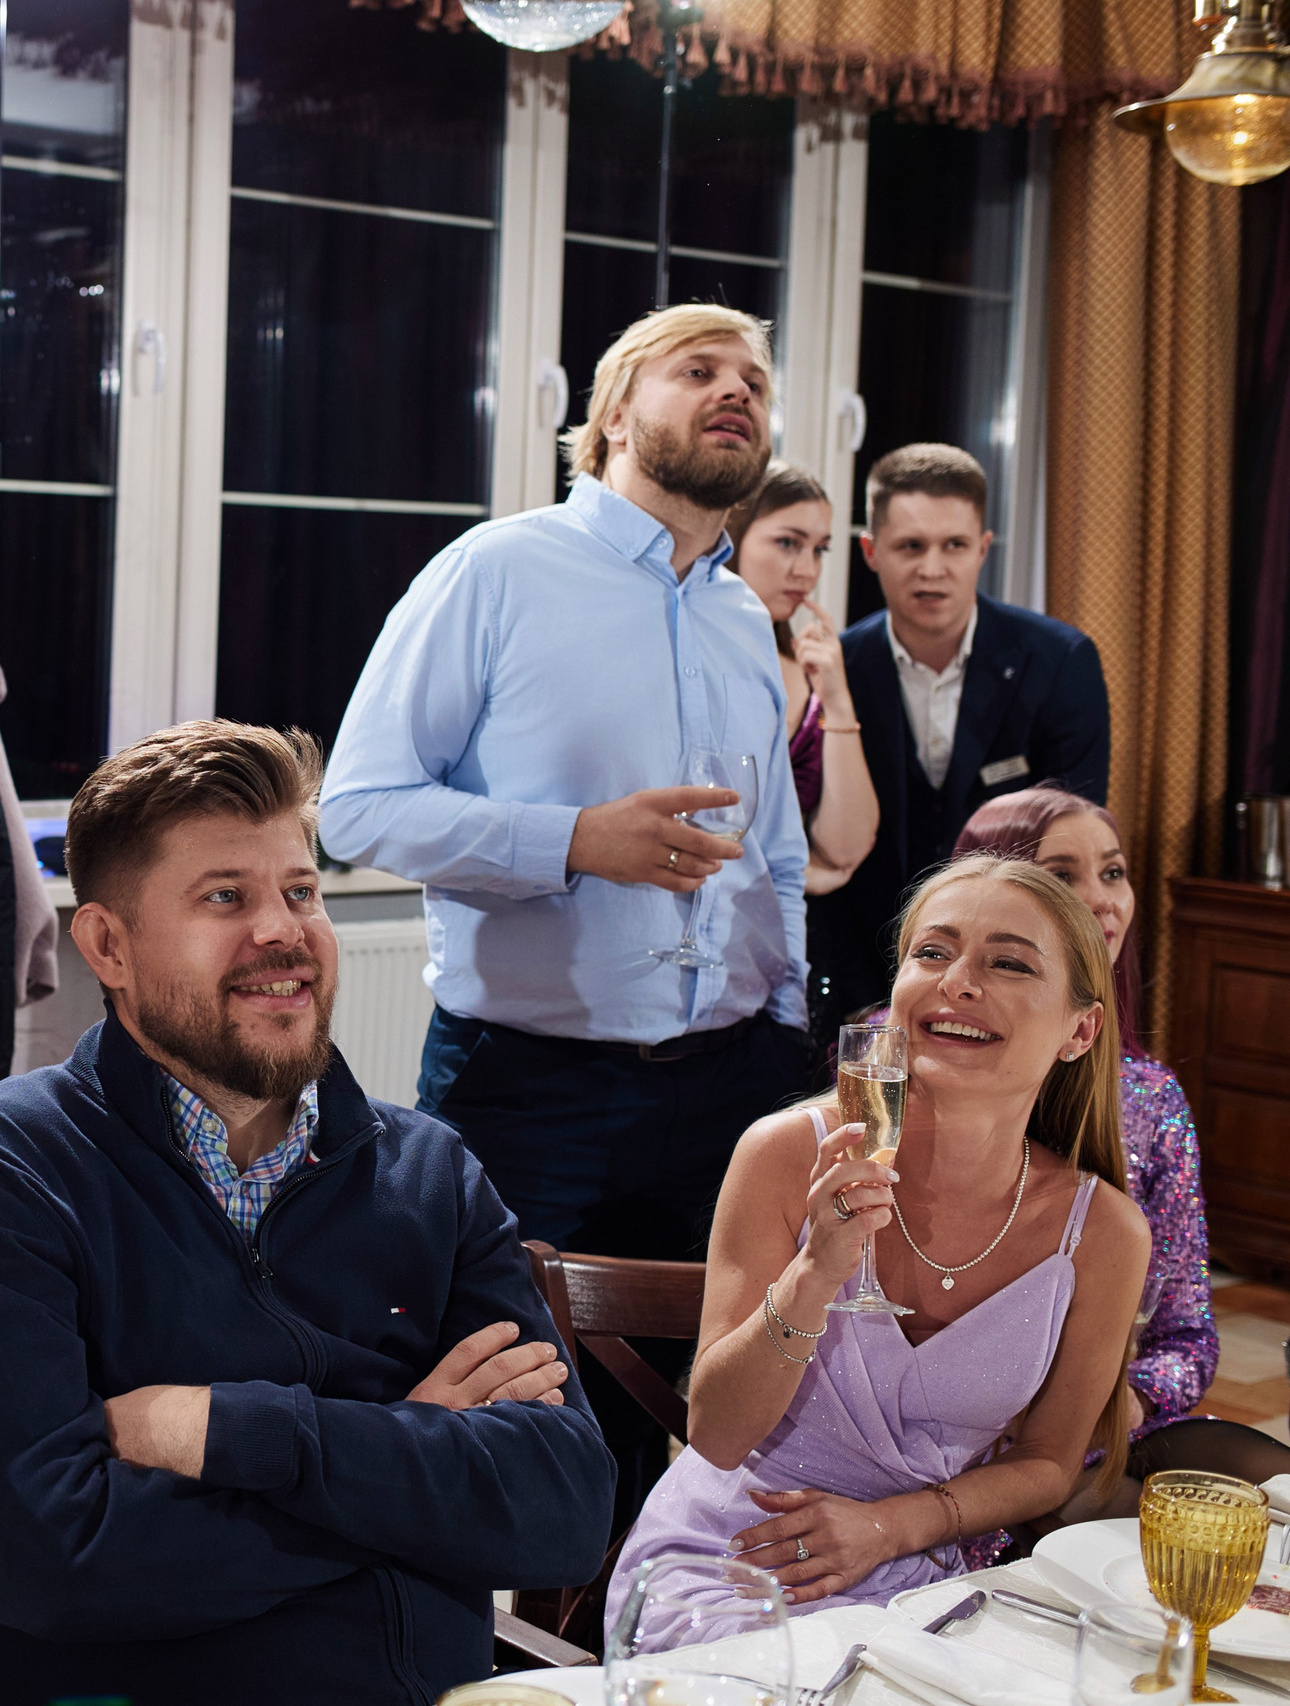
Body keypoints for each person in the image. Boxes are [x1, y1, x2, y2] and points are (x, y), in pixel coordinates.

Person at [0, 720, 614, 1706]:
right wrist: (405, 1452)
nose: (284, 930)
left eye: (300, 891)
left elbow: (564, 1504)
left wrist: (224, 1429)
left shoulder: (429, 1170)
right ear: (107, 943)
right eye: (224, 896)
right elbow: (54, 1563)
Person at [318, 302, 814, 1521]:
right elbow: (359, 809)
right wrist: (576, 842)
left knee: (697, 1420)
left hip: (729, 1088)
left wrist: (792, 1026)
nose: (734, 389)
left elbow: (776, 855)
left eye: (752, 376)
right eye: (697, 369)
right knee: (497, 1411)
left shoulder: (743, 613)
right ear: (609, 416)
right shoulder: (497, 570)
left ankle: (638, 1642)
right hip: (528, 1086)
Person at [611, 854, 1149, 1647]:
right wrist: (815, 1271)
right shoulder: (785, 1154)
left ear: (1080, 1031)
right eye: (932, 953)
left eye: (1006, 963)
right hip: (735, 1560)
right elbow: (717, 1435)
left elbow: (1049, 1462)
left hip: (927, 1577)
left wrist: (894, 1528)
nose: (956, 983)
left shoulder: (1103, 1233)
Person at [949, 788, 1290, 1512]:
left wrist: (1131, 1400)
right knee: (1144, 1542)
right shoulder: (912, 1052)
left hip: (1109, 1425)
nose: (1100, 901)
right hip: (963, 1436)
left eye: (1113, 873)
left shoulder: (1150, 1096)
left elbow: (1188, 1336)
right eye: (1063, 874)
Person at [811, 443, 1111, 1027]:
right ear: (871, 551)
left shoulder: (1059, 661)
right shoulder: (840, 665)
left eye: (953, 546)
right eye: (910, 547)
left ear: (983, 549)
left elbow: (1074, 837)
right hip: (864, 981)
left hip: (1011, 976)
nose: (932, 568)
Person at [724, 462, 877, 897]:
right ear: (732, 537)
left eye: (819, 549)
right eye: (788, 543)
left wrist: (838, 701)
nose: (807, 571)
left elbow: (846, 849)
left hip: (779, 933)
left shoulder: (810, 673)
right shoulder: (690, 659)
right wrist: (789, 873)